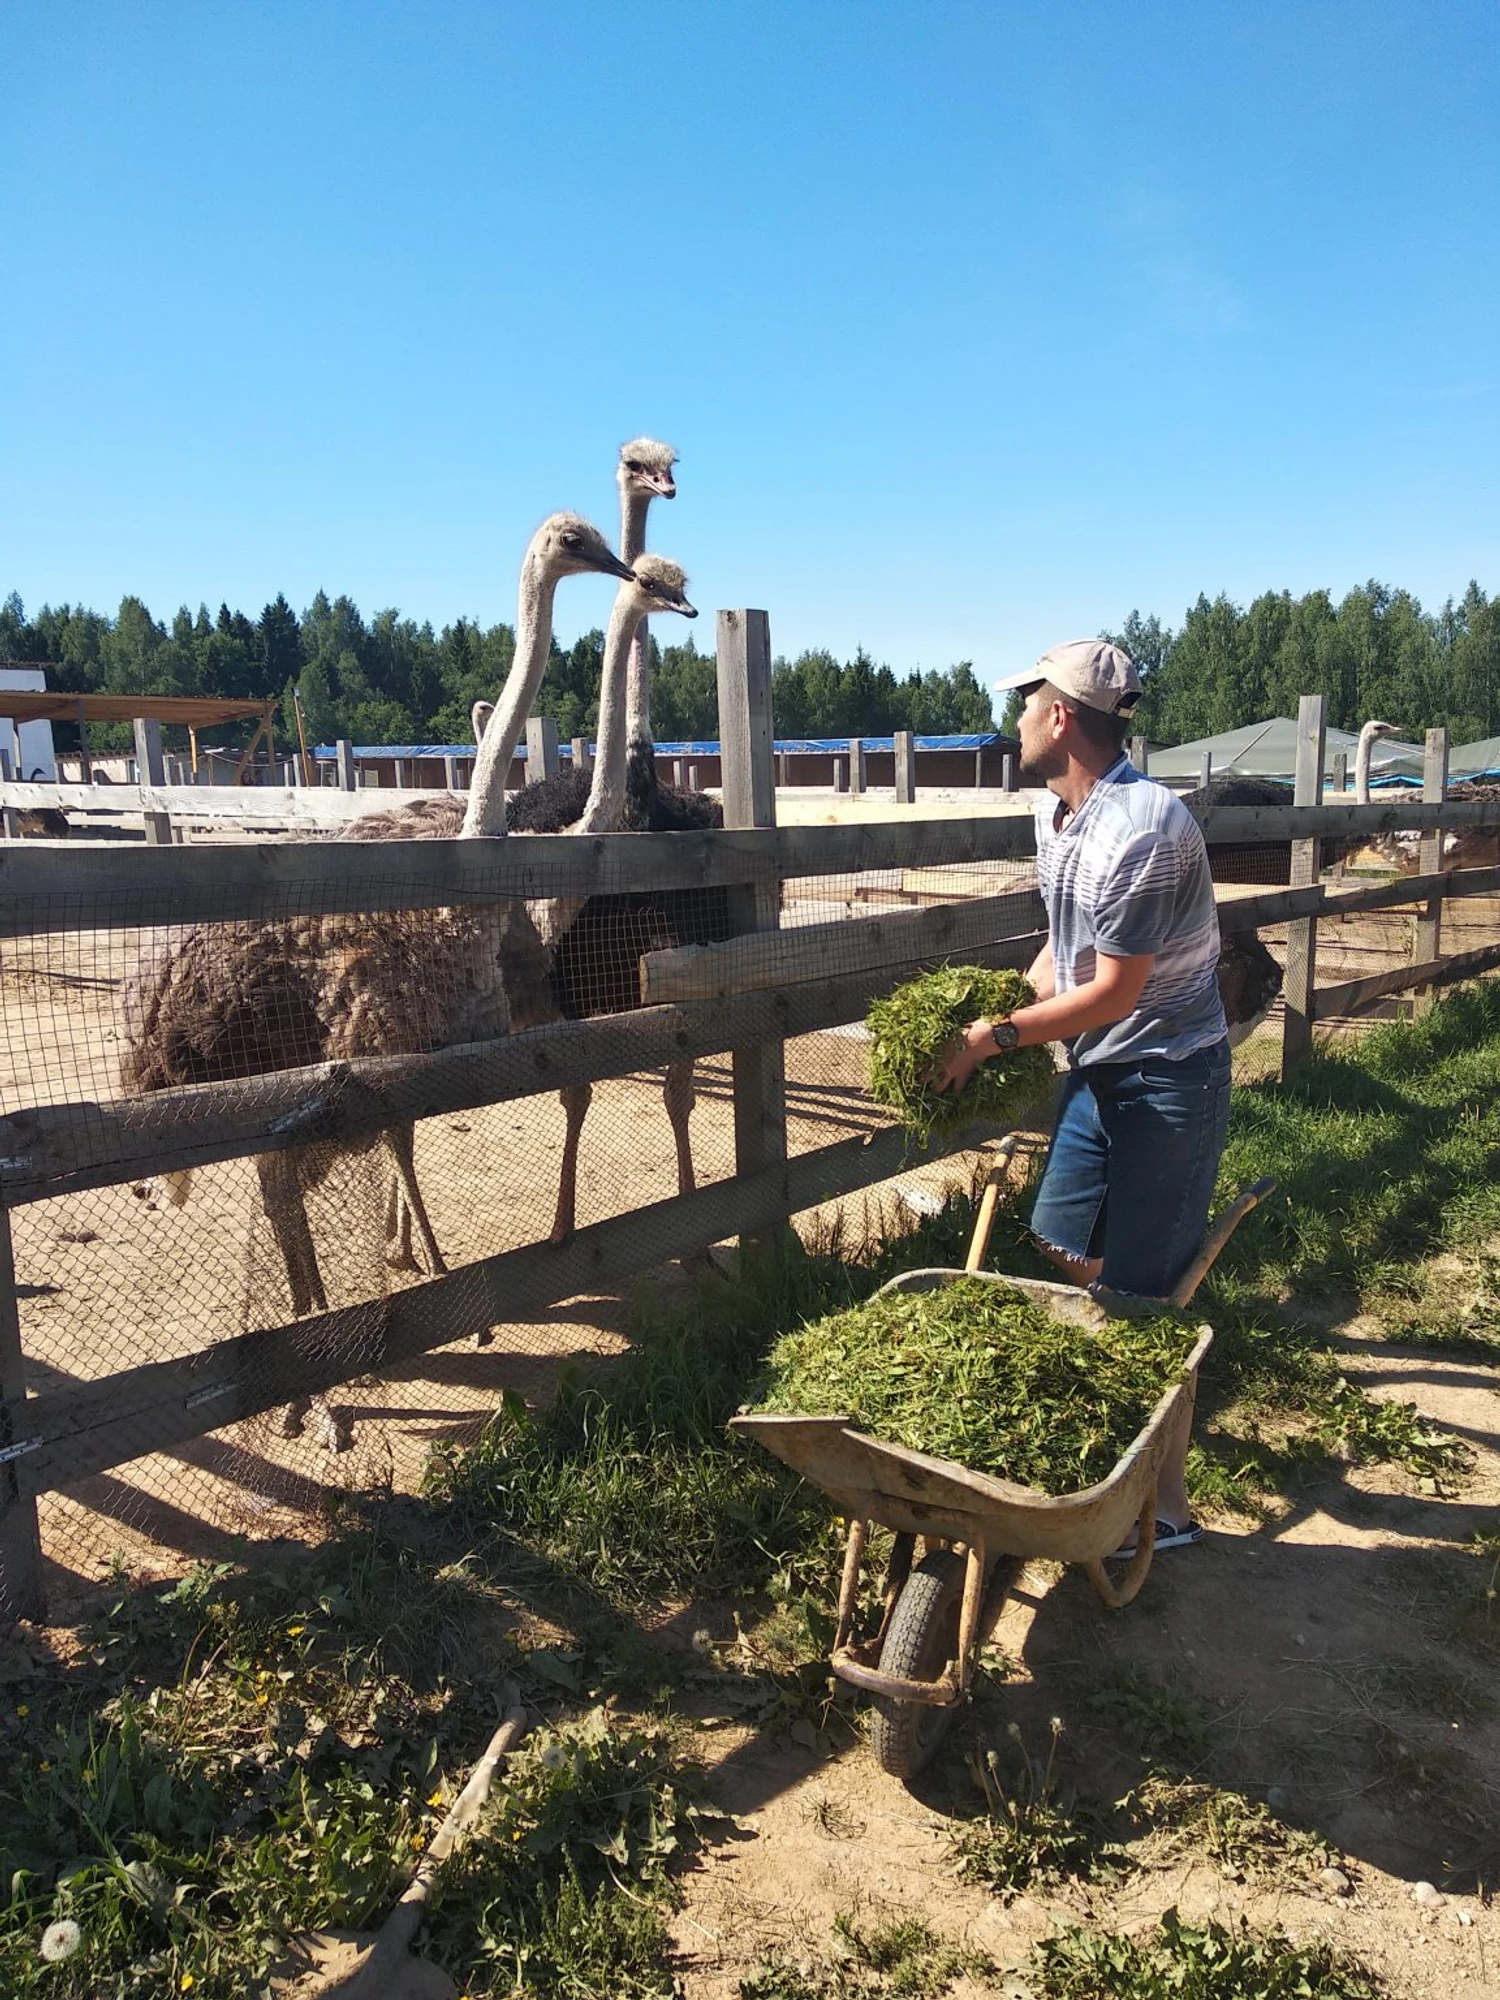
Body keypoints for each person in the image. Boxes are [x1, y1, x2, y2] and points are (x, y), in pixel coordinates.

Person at [932, 638, 1230, 1552]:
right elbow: (1065, 951)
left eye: (1025, 703)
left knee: (1146, 1302)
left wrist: (994, 1041)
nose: (1014, 717)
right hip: (1102, 1068)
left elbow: (1115, 991)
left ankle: (1166, 1510)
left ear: (1060, 716)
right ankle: (1124, 1403)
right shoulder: (1057, 817)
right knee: (1061, 1237)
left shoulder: (1142, 828)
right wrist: (1001, 1001)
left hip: (1169, 1074)